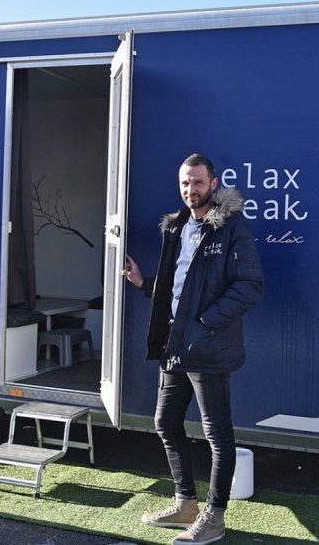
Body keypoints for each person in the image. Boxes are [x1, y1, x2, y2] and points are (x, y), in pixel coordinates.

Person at [123, 153, 264, 545]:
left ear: (214, 183)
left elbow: (250, 287)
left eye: (198, 182)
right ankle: (185, 503)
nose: (191, 190)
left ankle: (214, 518)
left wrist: (203, 324)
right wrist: (142, 283)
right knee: (166, 423)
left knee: (217, 435)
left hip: (209, 347)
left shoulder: (231, 227)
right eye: (185, 183)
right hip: (175, 345)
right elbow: (177, 291)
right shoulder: (178, 227)